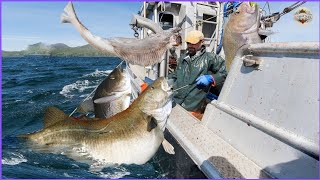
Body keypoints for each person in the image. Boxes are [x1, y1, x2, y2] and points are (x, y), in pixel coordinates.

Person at [168, 30, 227, 115]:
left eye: (193, 43)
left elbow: (226, 71)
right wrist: (167, 81)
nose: (190, 46)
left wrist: (211, 78)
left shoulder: (210, 58)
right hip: (176, 102)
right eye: (188, 43)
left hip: (193, 107)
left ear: (202, 42)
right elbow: (175, 75)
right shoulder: (183, 57)